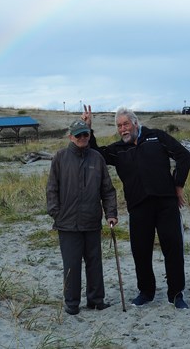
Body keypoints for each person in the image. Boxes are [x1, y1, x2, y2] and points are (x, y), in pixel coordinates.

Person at [82, 105, 190, 309]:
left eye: (125, 124)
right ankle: (146, 292)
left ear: (135, 123)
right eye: (119, 126)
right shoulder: (118, 149)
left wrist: (178, 185)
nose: (123, 129)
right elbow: (97, 155)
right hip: (138, 207)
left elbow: (184, 156)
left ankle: (176, 294)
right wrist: (89, 129)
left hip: (166, 203)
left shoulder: (156, 137)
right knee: (140, 251)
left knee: (173, 249)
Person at [46, 119, 118, 315]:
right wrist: (56, 213)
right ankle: (72, 303)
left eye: (85, 134)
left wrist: (111, 213)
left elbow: (108, 190)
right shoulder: (60, 157)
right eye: (78, 135)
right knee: (72, 265)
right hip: (67, 224)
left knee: (94, 262)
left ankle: (96, 300)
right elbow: (52, 189)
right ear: (71, 136)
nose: (82, 138)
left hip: (92, 221)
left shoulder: (97, 158)